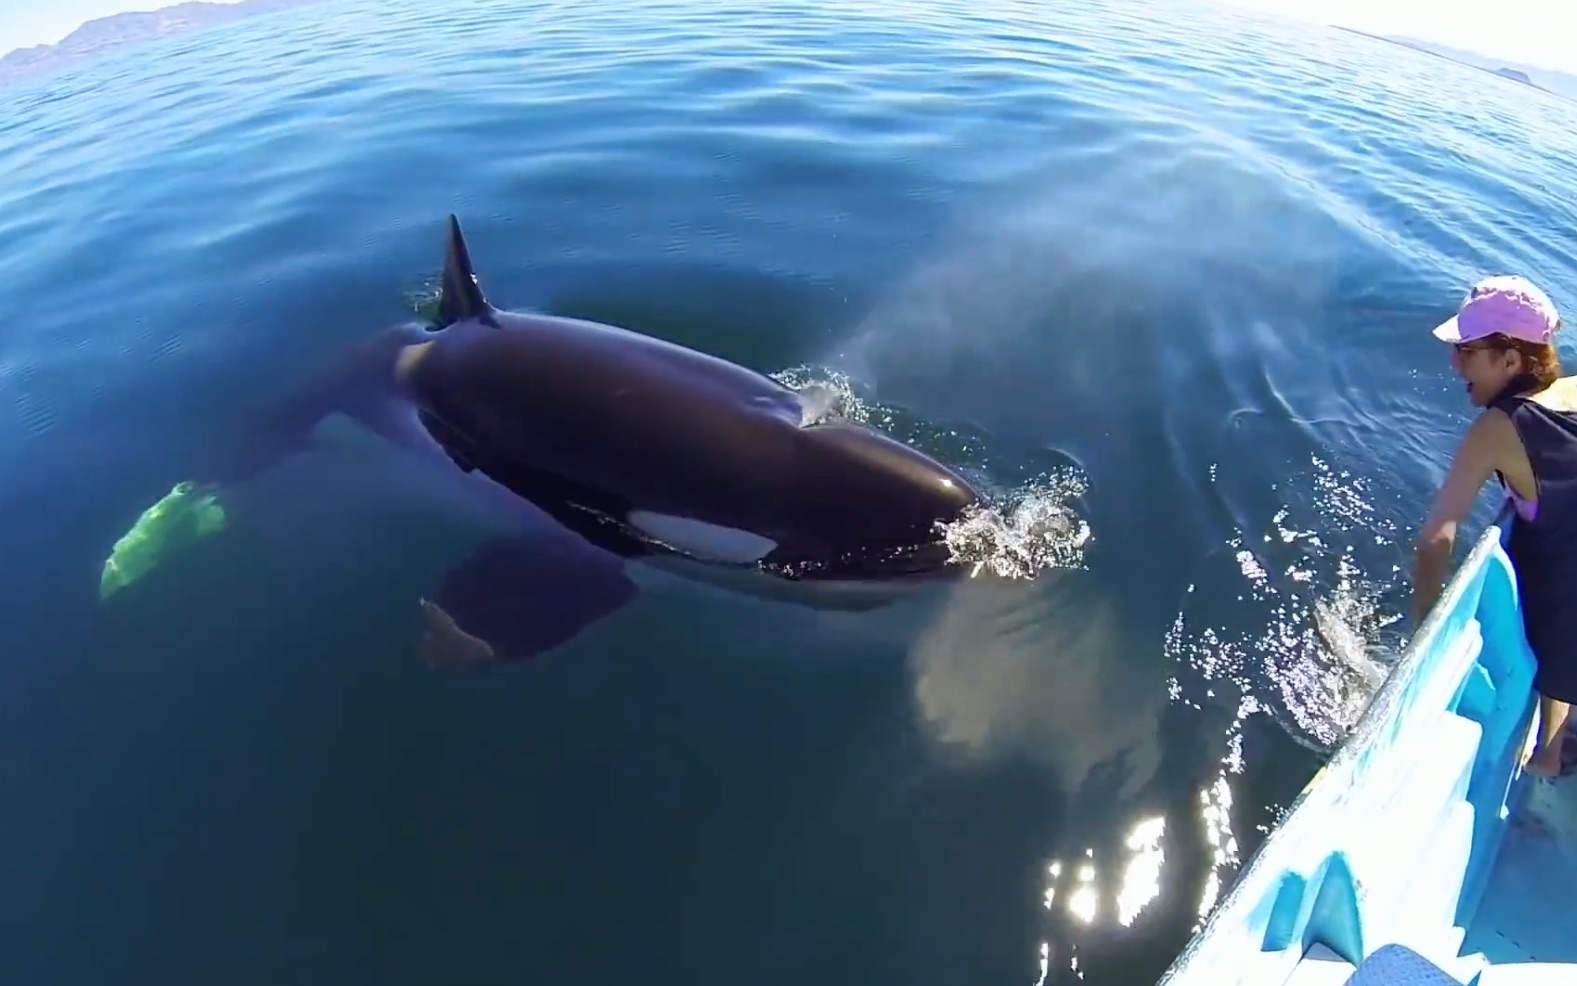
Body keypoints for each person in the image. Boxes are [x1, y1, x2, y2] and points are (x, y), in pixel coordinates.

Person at [1412, 274, 1575, 777]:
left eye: (1467, 350)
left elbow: (1435, 539)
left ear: (1510, 360)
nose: (1455, 362)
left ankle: (1553, 757)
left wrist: (1423, 644)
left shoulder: (1501, 427)